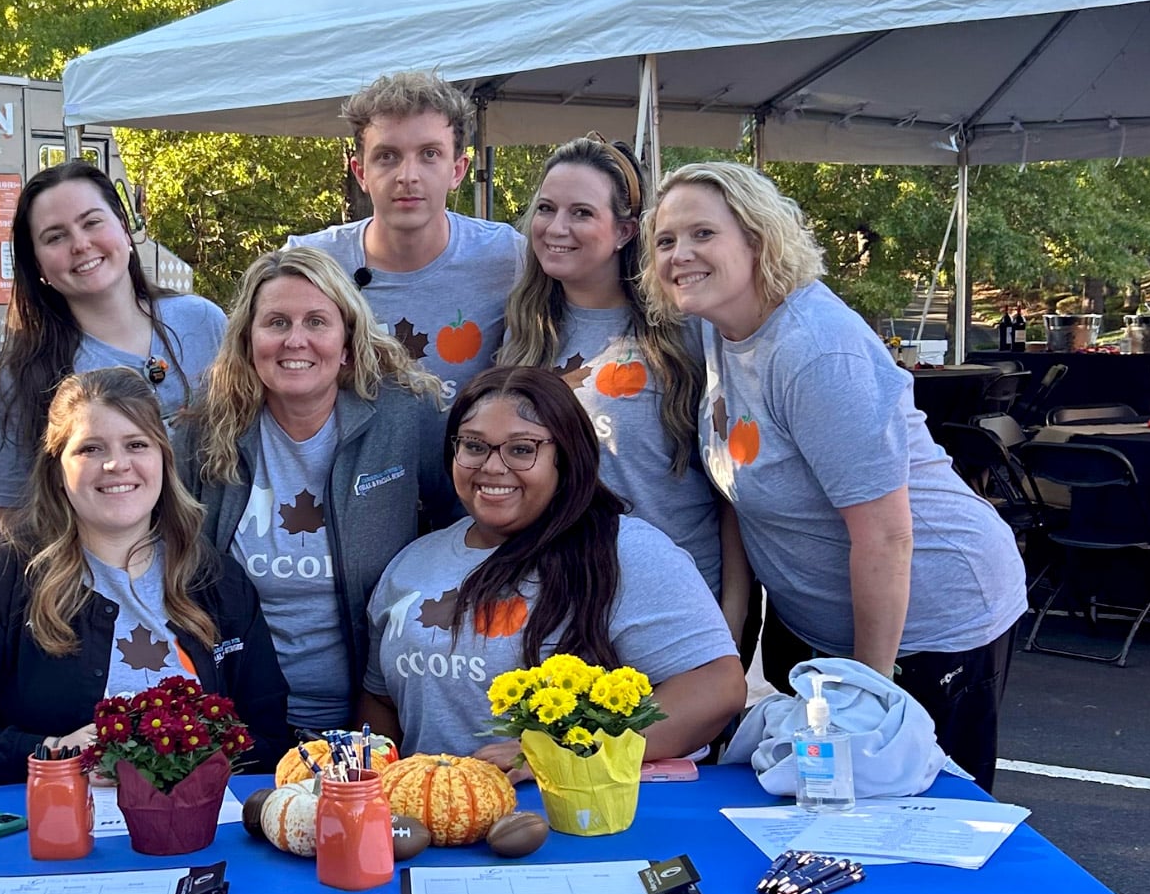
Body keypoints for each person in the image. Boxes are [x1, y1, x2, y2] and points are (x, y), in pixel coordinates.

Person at [643, 161, 1027, 789]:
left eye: (702, 234)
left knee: (906, 824)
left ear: (758, 239)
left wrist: (870, 699)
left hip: (928, 620)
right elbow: (742, 487)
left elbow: (886, 538)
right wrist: (732, 626)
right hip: (814, 628)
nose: (681, 254)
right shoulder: (719, 326)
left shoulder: (817, 350)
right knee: (814, 817)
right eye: (666, 241)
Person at [0, 367, 292, 785]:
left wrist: (185, 758)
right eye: (90, 449)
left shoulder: (217, 582)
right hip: (45, 837)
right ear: (57, 469)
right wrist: (55, 752)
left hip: (196, 836)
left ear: (164, 460)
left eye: (137, 444)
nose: (117, 464)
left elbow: (267, 740)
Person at [362, 367, 745, 769]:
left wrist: (566, 754)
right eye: (474, 446)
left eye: (522, 449)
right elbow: (379, 701)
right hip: (434, 821)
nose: (493, 466)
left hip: (572, 820)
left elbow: (717, 687)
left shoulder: (624, 550)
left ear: (564, 456)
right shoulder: (413, 561)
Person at [179, 246, 453, 731]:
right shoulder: (204, 432)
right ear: (248, 340)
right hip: (238, 728)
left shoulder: (406, 419)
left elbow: (466, 534)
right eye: (277, 322)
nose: (295, 340)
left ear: (347, 341)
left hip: (376, 723)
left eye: (317, 322)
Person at [497, 135, 744, 630]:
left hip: (674, 602)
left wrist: (733, 615)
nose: (556, 227)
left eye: (582, 213)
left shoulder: (686, 326)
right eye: (546, 208)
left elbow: (735, 489)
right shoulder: (523, 328)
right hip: (559, 602)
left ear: (626, 231)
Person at [0, 161, 226, 536]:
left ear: (124, 227)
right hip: (87, 588)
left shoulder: (204, 324)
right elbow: (4, 529)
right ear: (36, 263)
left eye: (91, 223)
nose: (80, 244)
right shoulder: (12, 378)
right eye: (55, 237)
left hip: (210, 578)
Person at [287, 71, 523, 399]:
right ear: (361, 173)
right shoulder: (308, 263)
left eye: (429, 154)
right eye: (387, 156)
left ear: (457, 170)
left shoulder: (509, 256)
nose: (407, 176)